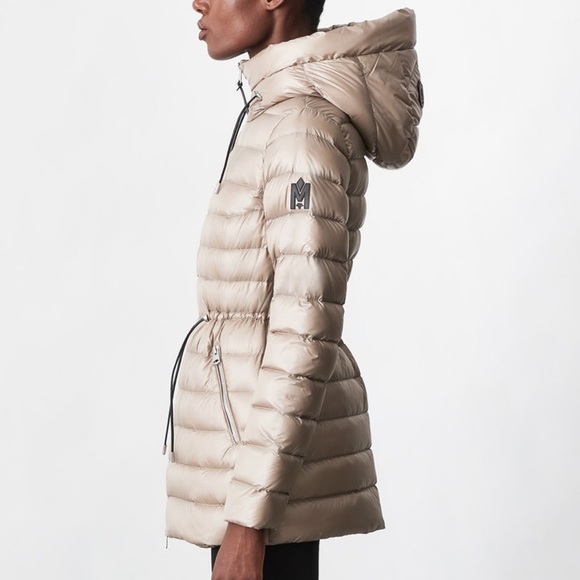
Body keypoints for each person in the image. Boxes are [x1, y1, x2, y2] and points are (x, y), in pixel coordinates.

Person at [161, 1, 423, 578]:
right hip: (249, 473)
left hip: (261, 493)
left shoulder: (302, 129)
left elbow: (304, 331)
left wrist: (248, 523)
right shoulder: (275, 115)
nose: (196, 3)